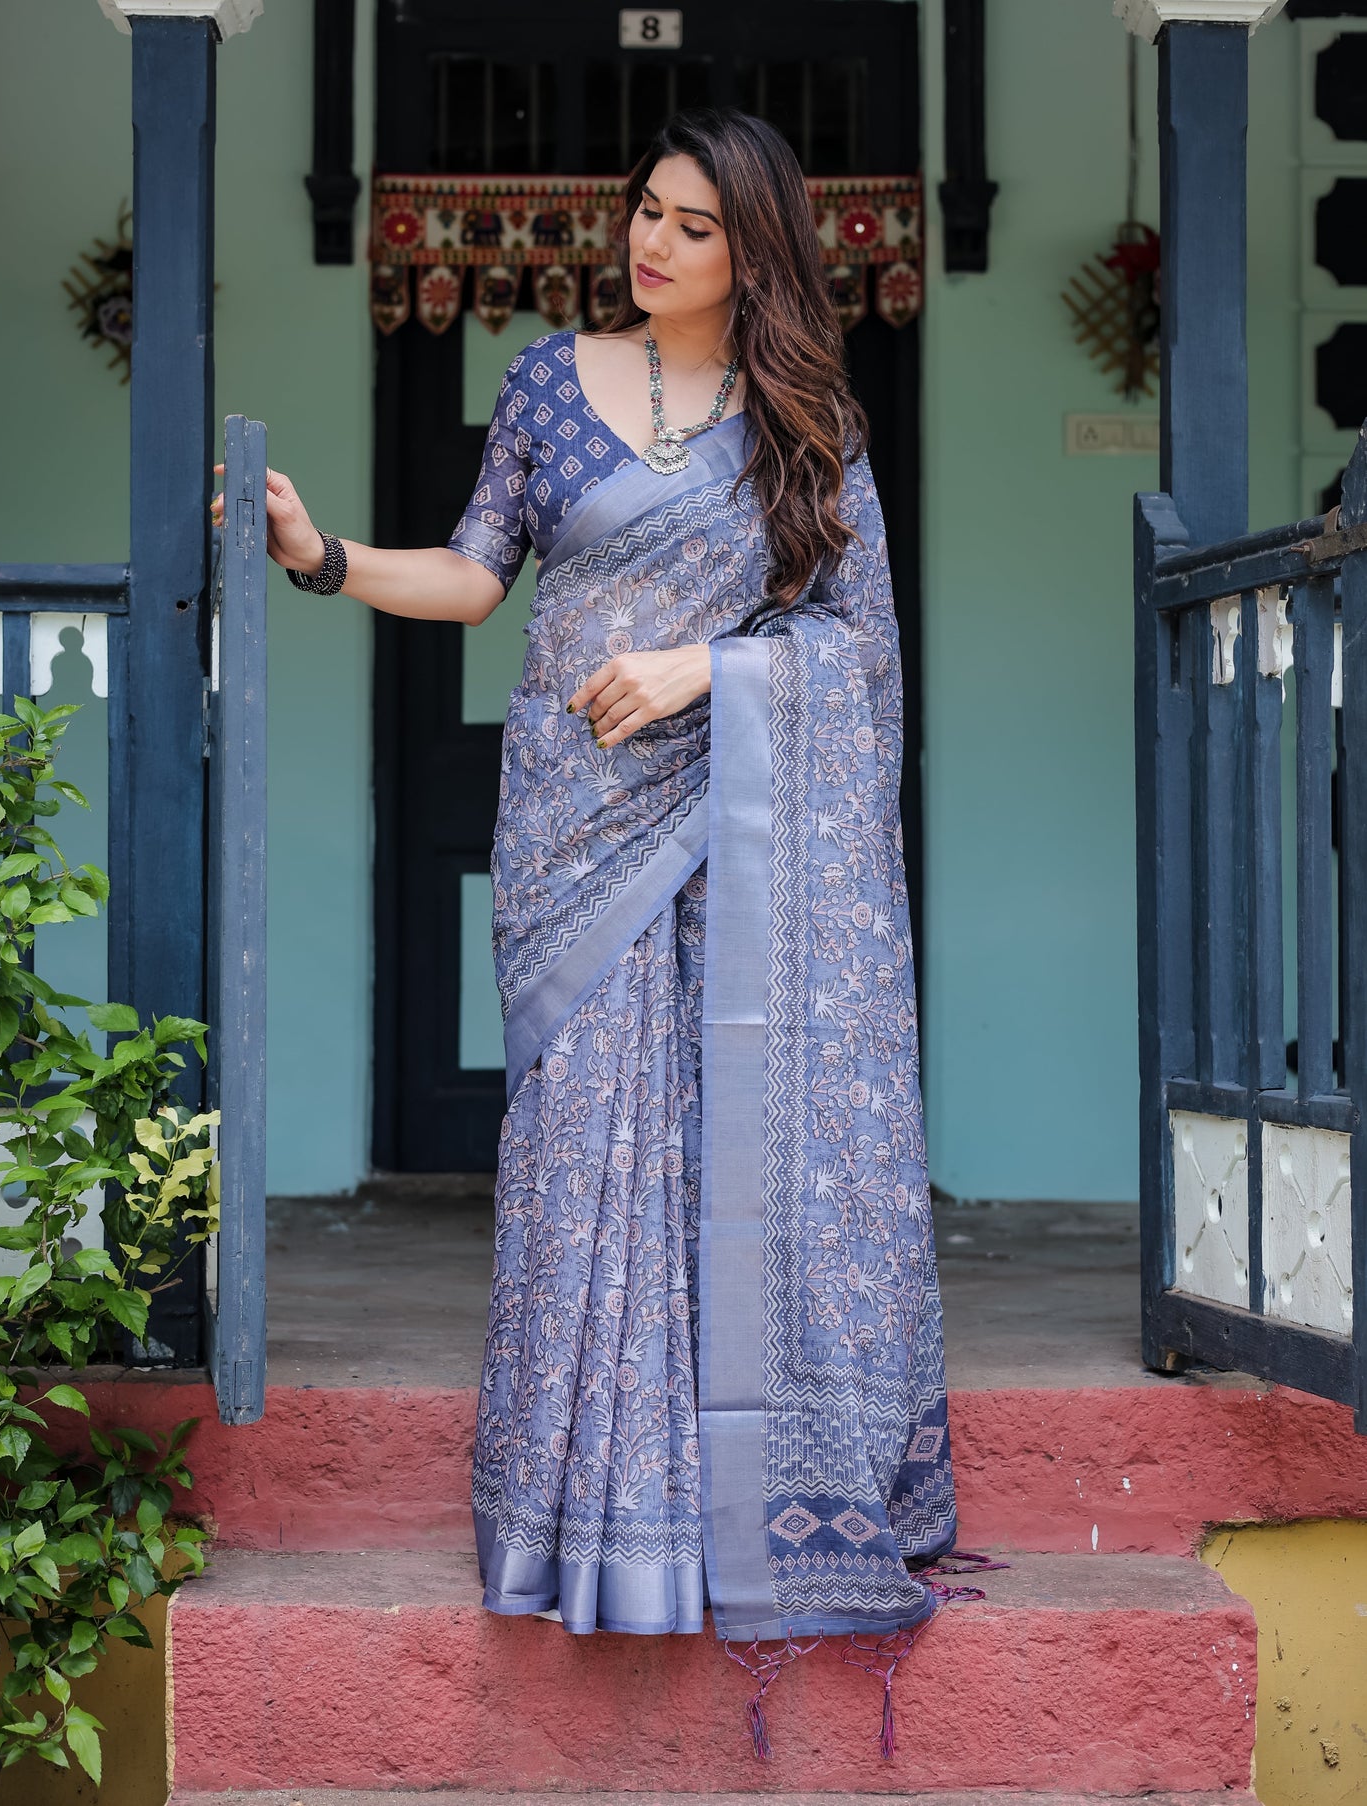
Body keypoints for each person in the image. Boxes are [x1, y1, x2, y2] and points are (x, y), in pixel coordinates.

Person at [215, 105, 959, 1745]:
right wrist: (321, 554)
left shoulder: (805, 417)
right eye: (646, 213)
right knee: (584, 1158)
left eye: (695, 224)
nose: (654, 242)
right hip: (573, 827)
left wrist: (711, 668)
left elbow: (861, 655)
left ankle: (741, 1504)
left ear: (752, 246)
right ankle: (591, 1525)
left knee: (730, 1157)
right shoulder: (549, 382)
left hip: (740, 825)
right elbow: (481, 579)